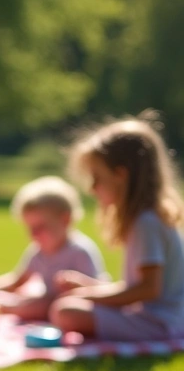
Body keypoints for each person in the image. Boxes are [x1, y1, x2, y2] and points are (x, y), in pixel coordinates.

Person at [50, 116, 184, 340]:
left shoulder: (146, 223)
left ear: (121, 175)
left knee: (65, 311)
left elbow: (149, 290)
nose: (92, 188)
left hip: (160, 323)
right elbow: (139, 285)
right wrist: (91, 287)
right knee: (68, 306)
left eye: (97, 178)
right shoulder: (147, 219)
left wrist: (89, 296)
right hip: (159, 317)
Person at [0, 176, 106, 322]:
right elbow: (18, 280)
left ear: (65, 220)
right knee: (38, 301)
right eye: (30, 228)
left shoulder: (79, 251)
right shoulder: (38, 251)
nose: (33, 234)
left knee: (43, 304)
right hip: (50, 304)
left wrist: (77, 283)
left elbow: (99, 290)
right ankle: (7, 306)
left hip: (76, 307)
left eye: (40, 227)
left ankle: (4, 308)